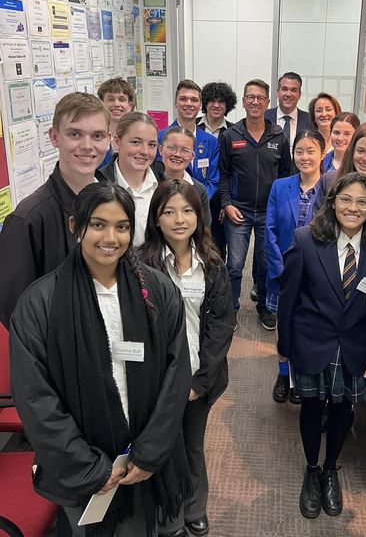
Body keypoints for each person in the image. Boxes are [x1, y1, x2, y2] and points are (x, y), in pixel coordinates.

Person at [9, 181, 193, 537]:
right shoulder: (40, 304)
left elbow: (176, 373)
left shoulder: (156, 290)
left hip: (142, 460)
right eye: (98, 224)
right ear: (75, 227)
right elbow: (35, 397)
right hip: (82, 468)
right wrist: (89, 467)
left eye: (121, 226)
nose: (110, 237)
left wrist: (149, 452)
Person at [278, 172, 366, 520]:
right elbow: (289, 297)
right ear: (332, 201)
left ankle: (329, 470)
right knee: (312, 407)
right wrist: (285, 345)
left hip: (355, 348)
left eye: (362, 202)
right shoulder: (306, 240)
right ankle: (311, 469)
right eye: (346, 199)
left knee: (342, 411)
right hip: (312, 342)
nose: (353, 208)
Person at [140, 179, 234, 537]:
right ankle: (168, 514)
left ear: (199, 215)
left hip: (198, 376)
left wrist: (200, 382)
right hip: (157, 380)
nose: (179, 219)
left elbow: (221, 326)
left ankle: (195, 506)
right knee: (161, 447)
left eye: (188, 210)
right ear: (156, 218)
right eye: (169, 211)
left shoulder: (212, 263)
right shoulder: (140, 263)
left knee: (191, 445)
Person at [0, 92, 110, 329]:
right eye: (75, 134)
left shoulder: (113, 202)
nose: (87, 146)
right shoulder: (27, 220)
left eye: (97, 135)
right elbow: (16, 313)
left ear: (109, 139)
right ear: (54, 137)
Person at [219, 79, 291, 330]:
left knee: (263, 263)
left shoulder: (279, 136)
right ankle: (232, 309)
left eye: (261, 98)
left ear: (268, 102)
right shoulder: (231, 135)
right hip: (239, 209)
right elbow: (224, 174)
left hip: (268, 212)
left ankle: (264, 308)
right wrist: (227, 204)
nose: (255, 102)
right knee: (235, 264)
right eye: (250, 97)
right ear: (243, 102)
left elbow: (285, 176)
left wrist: (279, 208)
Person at [266, 129, 325, 404]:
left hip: (317, 274)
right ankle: (281, 373)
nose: (304, 157)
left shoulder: (330, 189)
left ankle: (300, 377)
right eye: (299, 151)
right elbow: (270, 230)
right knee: (283, 322)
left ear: (322, 154)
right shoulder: (280, 186)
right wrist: (282, 269)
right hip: (283, 271)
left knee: (307, 324)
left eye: (311, 151)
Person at [101, 112, 159, 246]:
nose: (145, 151)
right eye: (136, 142)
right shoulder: (99, 184)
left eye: (151, 145)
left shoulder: (164, 184)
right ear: (116, 142)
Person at [158, 80, 219, 201]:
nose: (189, 104)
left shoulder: (211, 142)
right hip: (167, 203)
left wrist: (197, 200)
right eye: (183, 99)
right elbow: (155, 175)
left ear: (200, 105)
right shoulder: (160, 137)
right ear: (176, 103)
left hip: (201, 206)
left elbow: (214, 180)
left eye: (194, 100)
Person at [197, 82, 237, 259]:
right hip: (196, 194)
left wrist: (225, 202)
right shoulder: (193, 127)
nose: (216, 105)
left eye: (221, 101)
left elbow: (232, 169)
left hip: (220, 199)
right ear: (205, 103)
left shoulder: (235, 131)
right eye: (212, 100)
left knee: (219, 246)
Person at [159, 126, 211, 228]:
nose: (178, 154)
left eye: (185, 150)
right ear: (160, 150)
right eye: (172, 148)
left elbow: (204, 229)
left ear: (192, 156)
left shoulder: (199, 190)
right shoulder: (149, 183)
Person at [265, 72, 313, 152]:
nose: (288, 94)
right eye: (284, 89)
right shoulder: (264, 117)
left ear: (299, 94)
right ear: (277, 93)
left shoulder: (310, 120)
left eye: (293, 90)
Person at [97, 78, 135, 169]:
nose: (116, 104)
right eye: (110, 99)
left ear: (130, 105)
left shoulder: (139, 137)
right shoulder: (94, 138)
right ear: (101, 104)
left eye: (122, 99)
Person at [308, 93, 341, 159]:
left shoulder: (342, 141)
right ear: (313, 116)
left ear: (336, 113)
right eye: (319, 110)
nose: (324, 114)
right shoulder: (308, 141)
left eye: (328, 110)